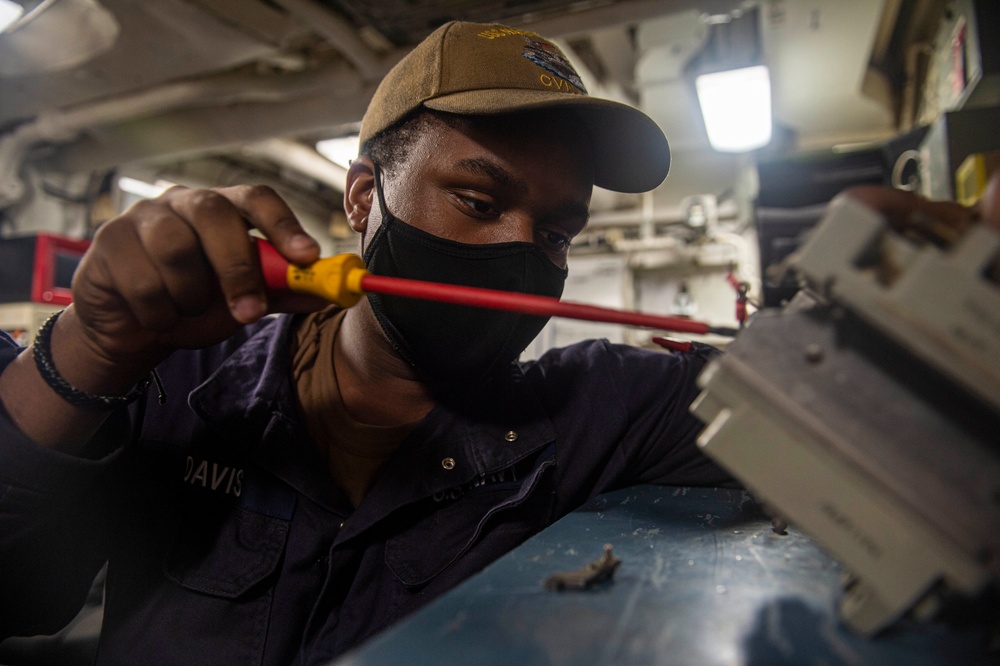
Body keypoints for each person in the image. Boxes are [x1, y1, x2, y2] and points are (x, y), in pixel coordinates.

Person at [0, 19, 993, 665]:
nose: (524, 251)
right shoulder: (192, 369)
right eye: (477, 200)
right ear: (361, 198)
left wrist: (927, 313)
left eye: (558, 231)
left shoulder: (596, 411)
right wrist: (90, 345)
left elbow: (853, 413)